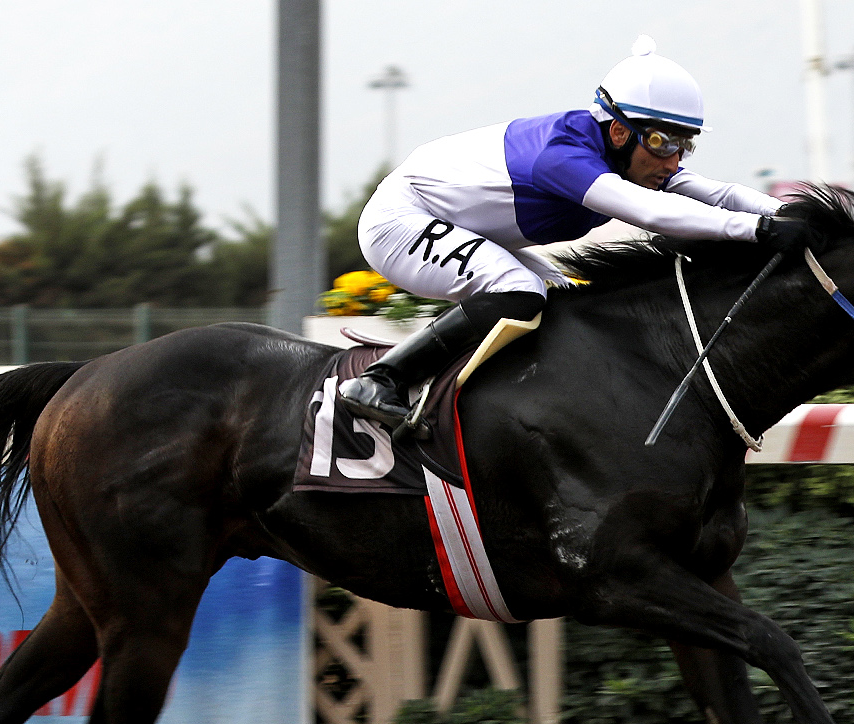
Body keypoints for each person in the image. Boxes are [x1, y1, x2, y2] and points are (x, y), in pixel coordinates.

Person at [338, 35, 818, 429]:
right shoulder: (563, 157)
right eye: (662, 142)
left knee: (570, 301)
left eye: (683, 145)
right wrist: (759, 231)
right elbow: (652, 214)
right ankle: (381, 380)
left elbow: (719, 194)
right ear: (618, 132)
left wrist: (798, 215)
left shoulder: (630, 156)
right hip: (398, 221)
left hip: (453, 221)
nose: (672, 160)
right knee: (521, 290)